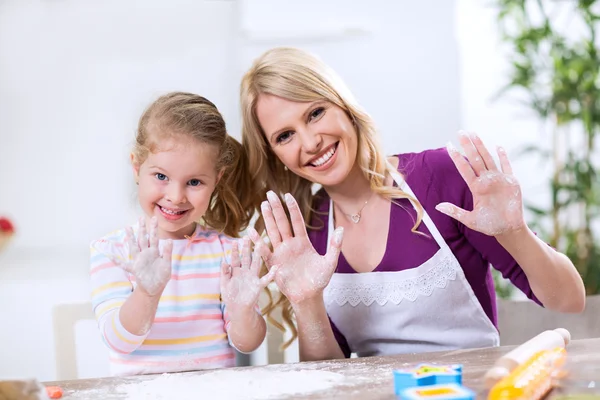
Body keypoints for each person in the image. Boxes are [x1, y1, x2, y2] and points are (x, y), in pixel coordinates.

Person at [240, 47, 586, 361]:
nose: (311, 141)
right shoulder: (308, 231)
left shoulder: (440, 177)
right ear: (275, 155)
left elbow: (569, 301)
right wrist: (306, 301)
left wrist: (516, 233)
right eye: (285, 135)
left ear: (342, 104)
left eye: (315, 113)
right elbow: (328, 376)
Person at [90, 92, 276, 376]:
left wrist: (243, 311)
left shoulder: (229, 253)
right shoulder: (112, 251)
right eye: (161, 176)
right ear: (137, 167)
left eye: (194, 182)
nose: (176, 197)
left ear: (218, 179)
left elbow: (247, 344)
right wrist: (146, 293)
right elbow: (119, 341)